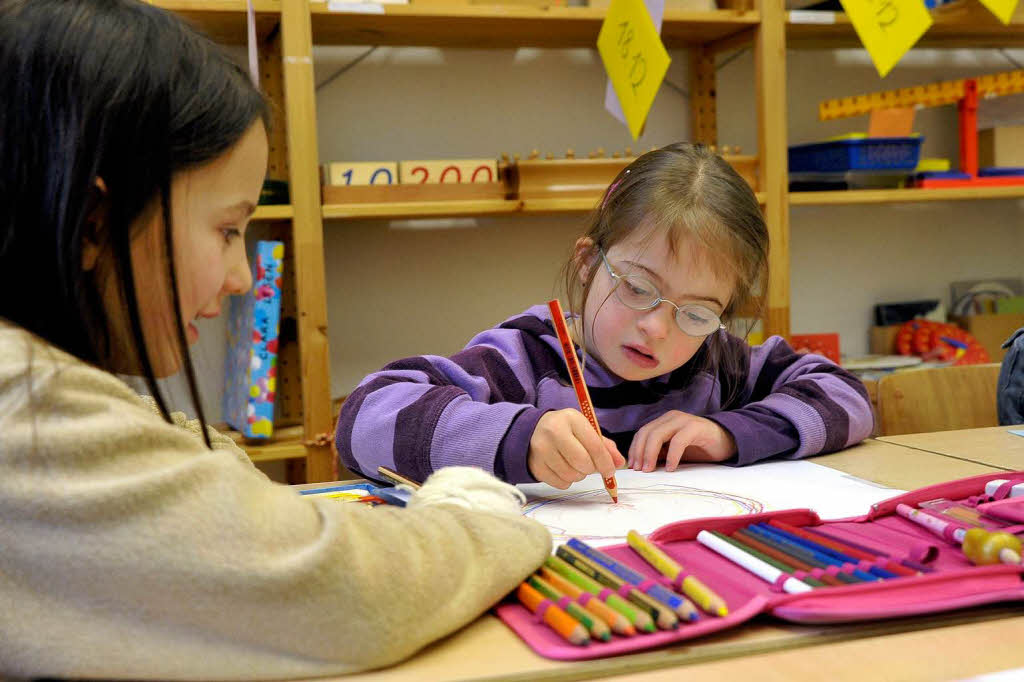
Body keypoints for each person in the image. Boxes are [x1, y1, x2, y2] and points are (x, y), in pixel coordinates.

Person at [0, 1, 549, 678]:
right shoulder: (25, 404)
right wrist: (480, 506)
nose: (239, 277)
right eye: (229, 230)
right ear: (92, 222)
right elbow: (346, 594)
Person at [337, 143, 874, 490]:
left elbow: (848, 395)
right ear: (589, 263)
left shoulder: (715, 360)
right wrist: (520, 436)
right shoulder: (524, 361)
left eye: (696, 313)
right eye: (638, 288)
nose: (658, 328)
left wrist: (727, 433)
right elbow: (363, 417)